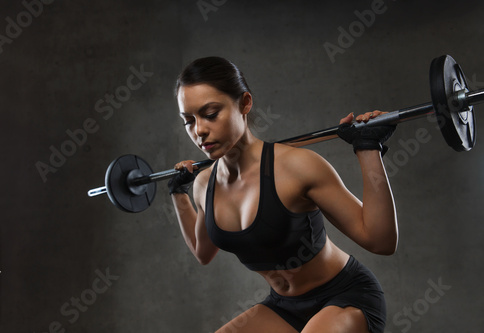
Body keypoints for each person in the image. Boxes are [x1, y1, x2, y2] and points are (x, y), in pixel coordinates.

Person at [168, 56, 398, 333]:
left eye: (211, 114)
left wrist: (368, 148)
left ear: (245, 103)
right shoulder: (204, 184)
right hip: (283, 307)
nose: (199, 130)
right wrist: (178, 192)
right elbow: (202, 252)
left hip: (344, 297)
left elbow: (381, 240)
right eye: (188, 121)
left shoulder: (297, 167)